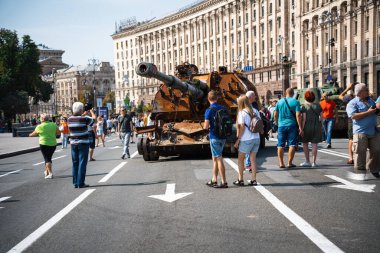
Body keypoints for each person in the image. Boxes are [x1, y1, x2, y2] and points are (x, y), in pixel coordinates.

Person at [346, 83, 380, 179]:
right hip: (360, 132)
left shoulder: (371, 101)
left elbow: (375, 111)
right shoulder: (352, 103)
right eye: (366, 90)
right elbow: (353, 116)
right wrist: (368, 112)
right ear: (360, 93)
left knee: (377, 150)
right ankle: (360, 172)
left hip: (374, 130)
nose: (368, 91)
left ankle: (373, 168)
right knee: (360, 152)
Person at [233, 95, 261, 186]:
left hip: (246, 139)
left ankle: (240, 179)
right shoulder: (255, 110)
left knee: (241, 159)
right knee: (253, 159)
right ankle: (254, 180)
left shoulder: (242, 112)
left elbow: (241, 126)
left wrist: (238, 139)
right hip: (256, 138)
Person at [68, 102, 96, 188]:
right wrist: (91, 111)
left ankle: (75, 183)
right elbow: (94, 119)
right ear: (81, 110)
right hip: (83, 143)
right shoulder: (84, 119)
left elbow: (78, 115)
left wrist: (83, 112)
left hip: (73, 144)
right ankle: (81, 183)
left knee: (75, 163)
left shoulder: (69, 119)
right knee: (82, 163)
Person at [204, 90, 228, 188]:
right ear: (217, 98)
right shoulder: (223, 108)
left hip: (214, 136)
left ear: (208, 99)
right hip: (223, 136)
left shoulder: (209, 110)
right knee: (215, 158)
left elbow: (206, 126)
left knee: (218, 158)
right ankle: (214, 179)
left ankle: (224, 181)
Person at [273, 88, 302, 168]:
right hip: (292, 125)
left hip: (281, 126)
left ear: (285, 93)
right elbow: (298, 115)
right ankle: (289, 163)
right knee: (292, 144)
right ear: (293, 94)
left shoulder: (279, 102)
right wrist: (300, 127)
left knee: (280, 145)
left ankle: (281, 163)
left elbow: (275, 114)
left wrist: (277, 123)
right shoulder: (296, 102)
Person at [29, 114, 60, 179]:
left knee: (47, 159)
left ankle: (50, 174)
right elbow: (58, 133)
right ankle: (46, 171)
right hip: (53, 144)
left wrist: (30, 135)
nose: (40, 119)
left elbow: (33, 134)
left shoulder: (39, 126)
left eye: (40, 118)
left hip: (44, 144)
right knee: (49, 158)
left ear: (42, 119)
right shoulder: (53, 124)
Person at [299, 90, 323, 167]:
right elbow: (321, 118)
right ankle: (314, 162)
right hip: (316, 127)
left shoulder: (304, 106)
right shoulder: (318, 105)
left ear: (305, 98)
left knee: (305, 144)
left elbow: (304, 119)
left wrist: (301, 129)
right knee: (314, 145)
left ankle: (307, 161)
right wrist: (321, 126)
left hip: (306, 127)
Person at [339, 83, 356, 164]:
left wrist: (347, 89)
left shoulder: (350, 97)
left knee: (351, 139)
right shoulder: (366, 98)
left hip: (352, 121)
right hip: (362, 121)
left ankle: (351, 158)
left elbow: (340, 96)